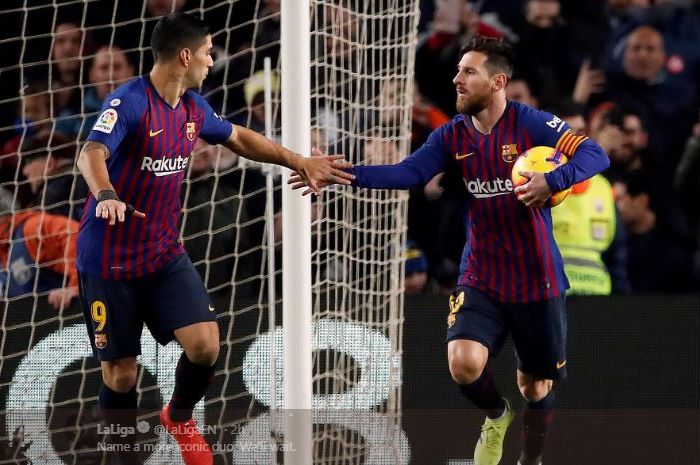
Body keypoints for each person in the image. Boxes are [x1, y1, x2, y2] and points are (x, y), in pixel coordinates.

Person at [291, 37, 609, 465]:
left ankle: (530, 458)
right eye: (458, 70)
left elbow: (595, 153)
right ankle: (496, 416)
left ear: (497, 82)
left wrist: (554, 180)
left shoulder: (531, 123)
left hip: (537, 278)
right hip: (481, 273)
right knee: (463, 363)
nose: (456, 79)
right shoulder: (452, 135)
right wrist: (343, 174)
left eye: (468, 72)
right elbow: (407, 173)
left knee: (535, 386)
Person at [76, 13, 353, 465]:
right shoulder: (128, 102)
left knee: (206, 344)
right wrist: (106, 194)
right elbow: (91, 152)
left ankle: (179, 417)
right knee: (121, 375)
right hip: (108, 261)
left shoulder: (192, 107)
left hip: (163, 253)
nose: (211, 60)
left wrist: (297, 160)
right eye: (207, 52)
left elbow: (239, 137)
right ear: (185, 55)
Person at [0, 189, 79, 310]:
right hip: (35, 326)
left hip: (72, 320)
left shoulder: (31, 228)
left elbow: (74, 234)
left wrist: (76, 285)